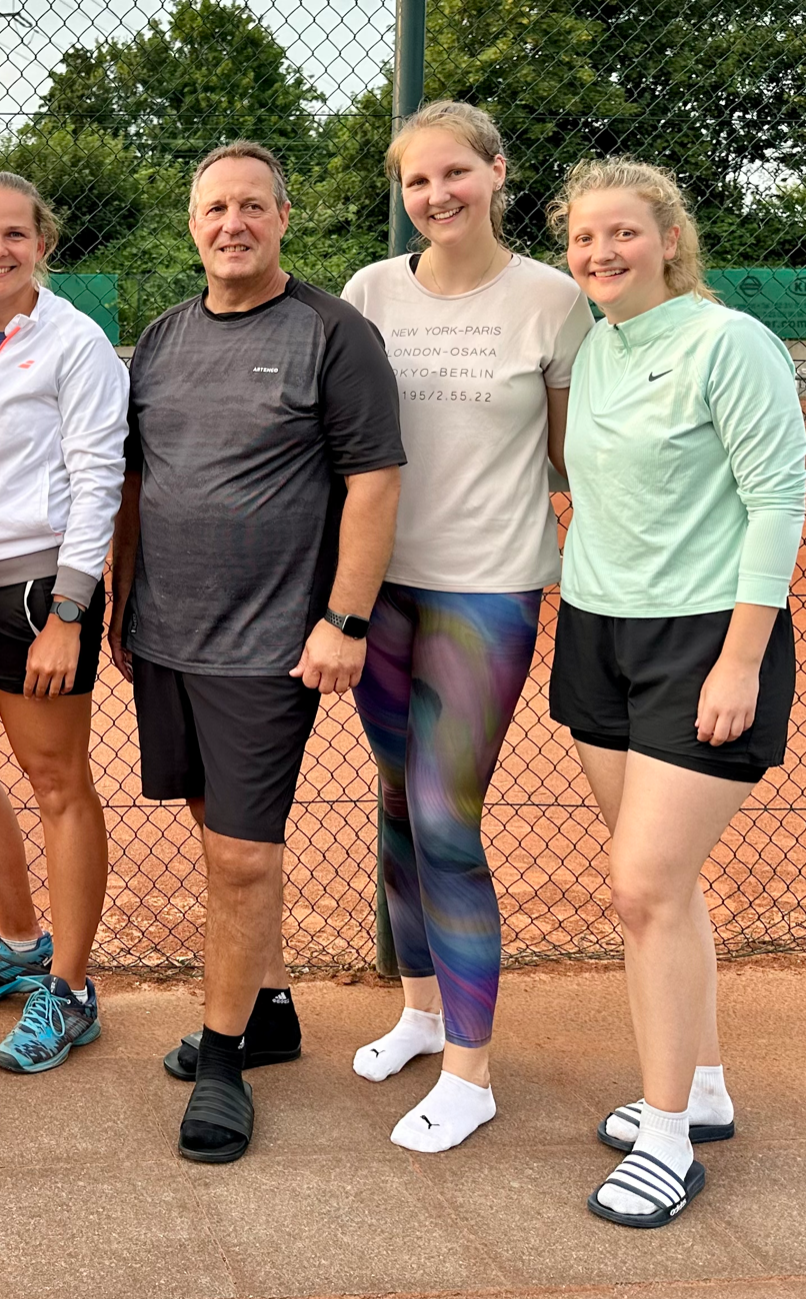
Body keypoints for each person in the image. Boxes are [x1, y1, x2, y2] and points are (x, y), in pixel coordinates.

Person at [111, 142, 403, 1162]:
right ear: (191, 224)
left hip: (268, 644)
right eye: (213, 209)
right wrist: (122, 605)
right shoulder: (162, 336)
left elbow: (373, 482)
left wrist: (345, 620)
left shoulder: (333, 333)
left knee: (241, 856)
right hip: (165, 635)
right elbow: (138, 481)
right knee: (214, 828)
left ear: (283, 216)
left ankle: (225, 1063)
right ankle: (269, 1007)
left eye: (250, 206)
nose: (230, 224)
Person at [551, 159, 806, 1227]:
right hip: (596, 630)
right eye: (582, 238)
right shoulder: (596, 346)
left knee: (644, 885)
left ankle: (667, 1142)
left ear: (667, 238)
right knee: (658, 885)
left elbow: (777, 498)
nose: (599, 252)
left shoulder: (727, 342)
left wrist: (741, 660)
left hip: (703, 641)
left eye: (621, 233)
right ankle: (698, 1088)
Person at [337, 102, 595, 1152]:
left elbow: (574, 459)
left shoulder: (552, 300)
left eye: (454, 174)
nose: (436, 195)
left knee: (448, 820)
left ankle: (470, 1073)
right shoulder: (368, 292)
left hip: (486, 590)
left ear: (496, 172)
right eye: (416, 181)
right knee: (398, 805)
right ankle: (419, 1011)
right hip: (380, 590)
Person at [0, 172, 128, 1073]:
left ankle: (72, 989)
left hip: (36, 588)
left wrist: (69, 611)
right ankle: (19, 945)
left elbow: (98, 476)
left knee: (56, 781)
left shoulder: (75, 341)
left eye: (15, 233)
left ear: (43, 244)